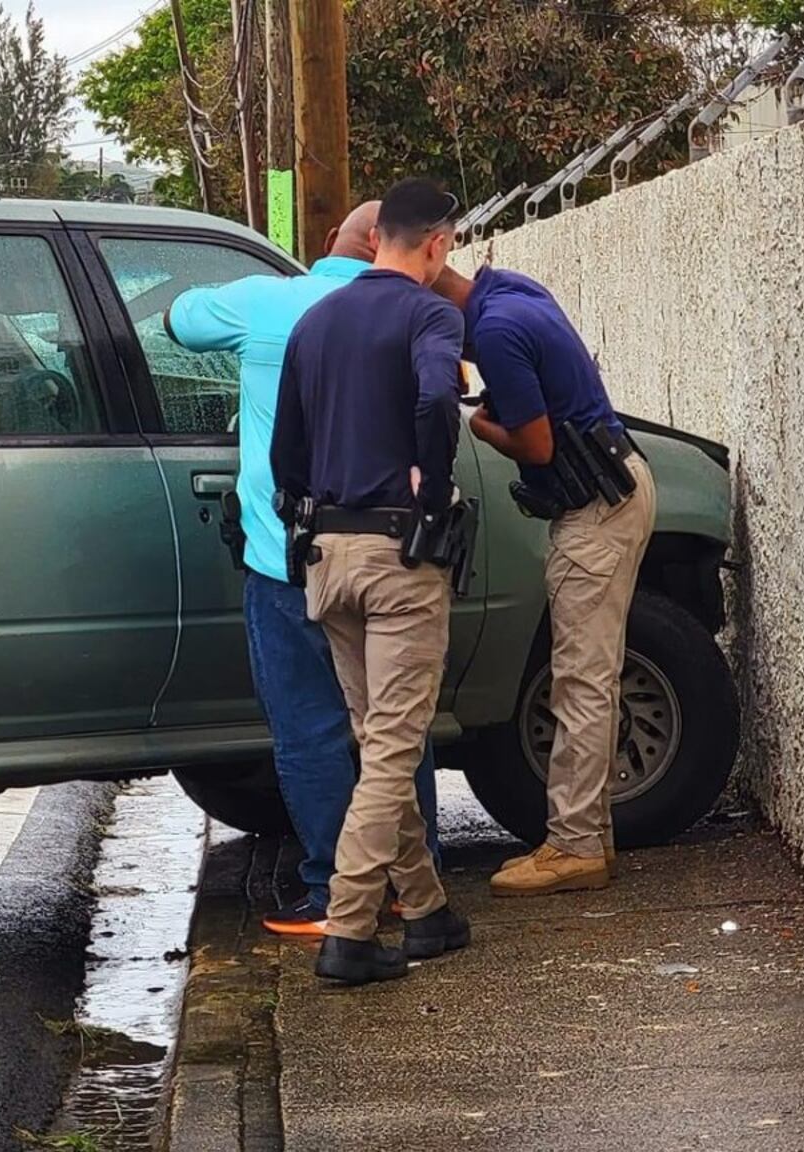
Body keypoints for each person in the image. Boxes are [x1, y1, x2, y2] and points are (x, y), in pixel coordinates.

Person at [166, 203, 442, 939]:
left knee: (311, 732)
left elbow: (179, 321)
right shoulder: (418, 312)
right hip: (389, 551)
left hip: (288, 558)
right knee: (394, 729)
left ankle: (330, 890)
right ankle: (413, 888)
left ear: (329, 246)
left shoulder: (270, 302)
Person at [271, 179, 473, 986]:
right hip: (398, 557)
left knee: (378, 734)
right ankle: (351, 928)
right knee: (394, 744)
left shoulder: (315, 321)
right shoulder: (432, 315)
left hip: (327, 557)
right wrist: (431, 478)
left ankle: (424, 910)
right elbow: (436, 393)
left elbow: (286, 449)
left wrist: (304, 507)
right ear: (436, 243)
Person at [432, 261, 657, 897]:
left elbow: (535, 446)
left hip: (593, 508)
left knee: (580, 679)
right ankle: (592, 834)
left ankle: (574, 846)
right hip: (616, 487)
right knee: (594, 674)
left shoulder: (497, 332)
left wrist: (478, 422)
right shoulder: (510, 290)